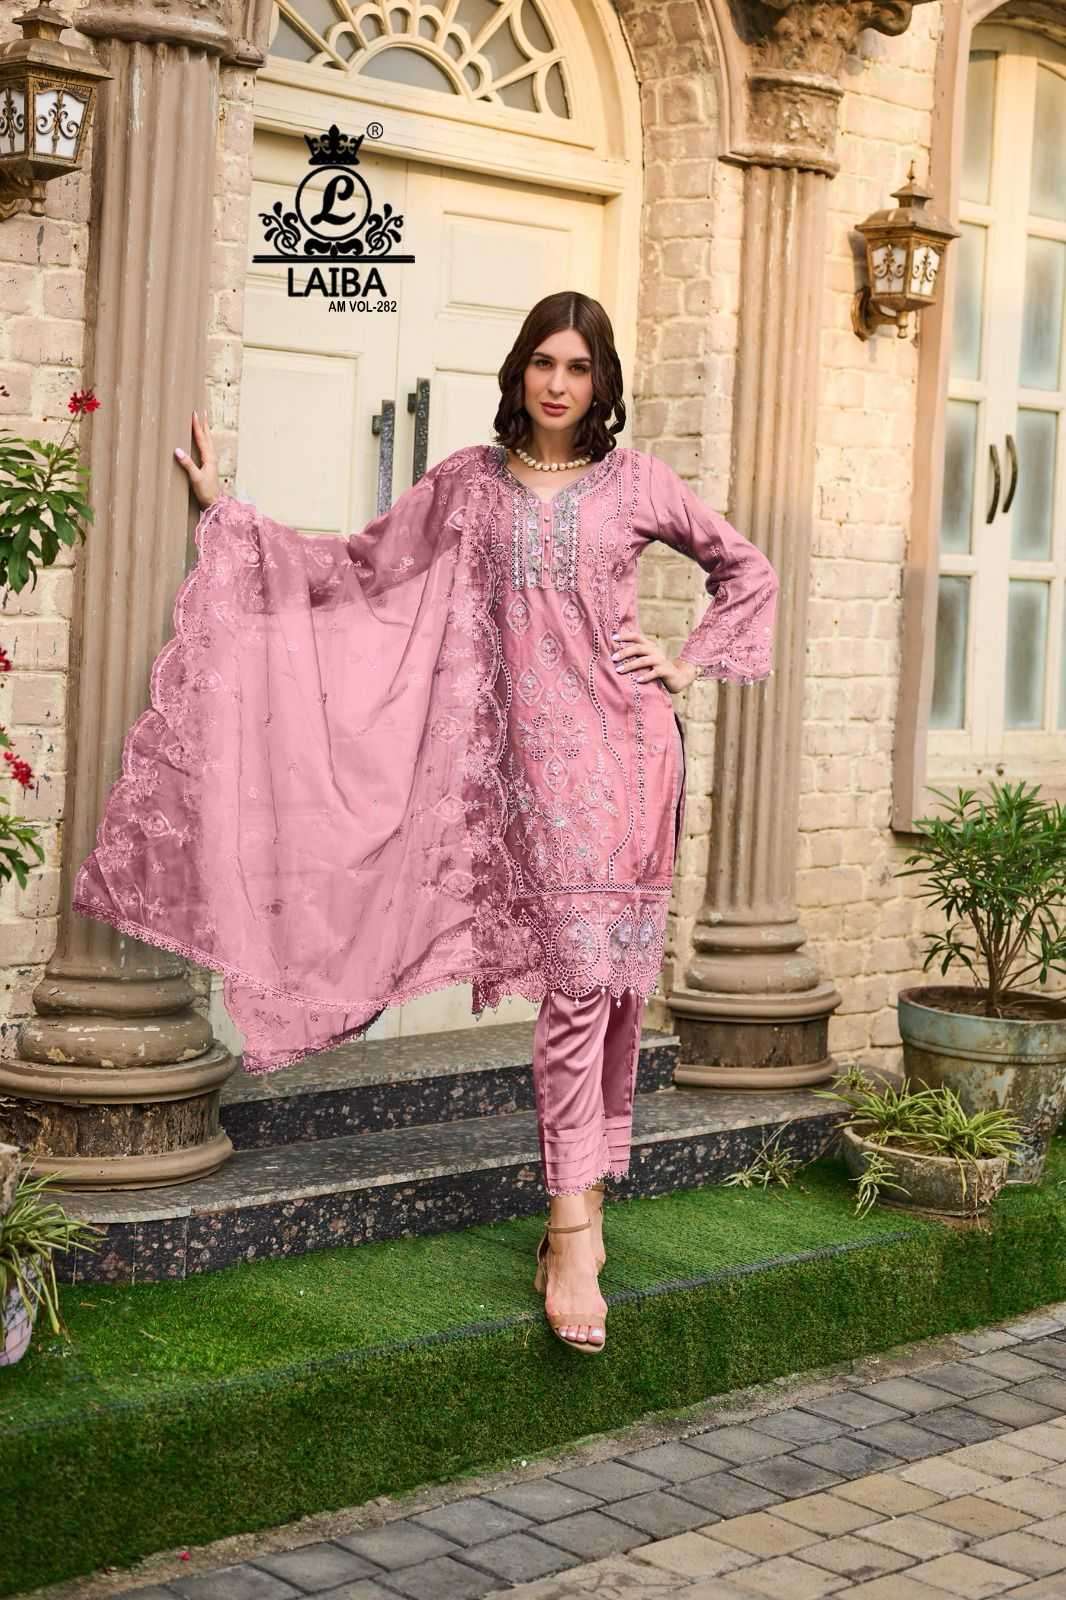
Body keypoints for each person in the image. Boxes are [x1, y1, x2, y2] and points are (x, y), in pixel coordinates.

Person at [76, 291, 778, 1356]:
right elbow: (358, 568)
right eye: (543, 362)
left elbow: (746, 568)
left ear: (602, 383)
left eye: (578, 368)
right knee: (575, 981)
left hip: (626, 759)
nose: (558, 384)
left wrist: (684, 663)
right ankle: (577, 1213)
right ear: (518, 371)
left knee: (595, 987)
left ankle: (575, 1222)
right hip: (519, 775)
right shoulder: (467, 483)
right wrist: (232, 515)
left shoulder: (637, 483)